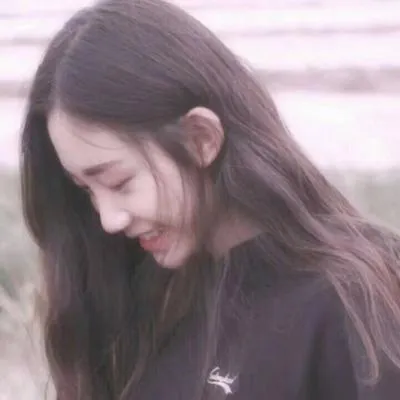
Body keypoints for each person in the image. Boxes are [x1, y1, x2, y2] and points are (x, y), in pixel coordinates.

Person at [20, 0, 400, 399]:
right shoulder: (140, 301)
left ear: (200, 138)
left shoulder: (353, 299)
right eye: (86, 190)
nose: (109, 219)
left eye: (119, 182)